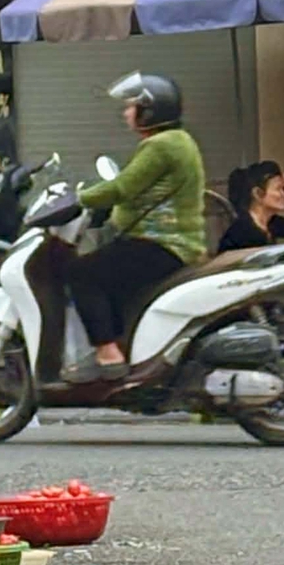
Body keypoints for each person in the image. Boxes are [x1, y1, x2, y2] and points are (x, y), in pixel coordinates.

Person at [71, 71, 206, 370]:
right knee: (112, 280)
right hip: (173, 244)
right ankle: (122, 347)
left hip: (162, 243)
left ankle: (108, 354)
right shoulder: (179, 140)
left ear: (150, 111)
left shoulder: (161, 146)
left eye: (132, 106)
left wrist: (73, 200)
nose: (126, 112)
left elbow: (121, 188)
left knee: (82, 274)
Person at [219, 161, 284, 253]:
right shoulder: (240, 232)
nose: (283, 194)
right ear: (258, 193)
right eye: (278, 189)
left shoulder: (272, 223)